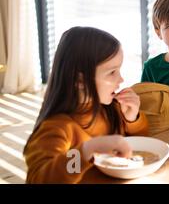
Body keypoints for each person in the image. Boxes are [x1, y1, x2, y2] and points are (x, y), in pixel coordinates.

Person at [23, 27, 149, 183]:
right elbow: (39, 179)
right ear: (80, 81)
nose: (121, 79)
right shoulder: (57, 127)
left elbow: (139, 149)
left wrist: (132, 118)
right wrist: (86, 151)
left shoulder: (112, 108)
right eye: (112, 72)